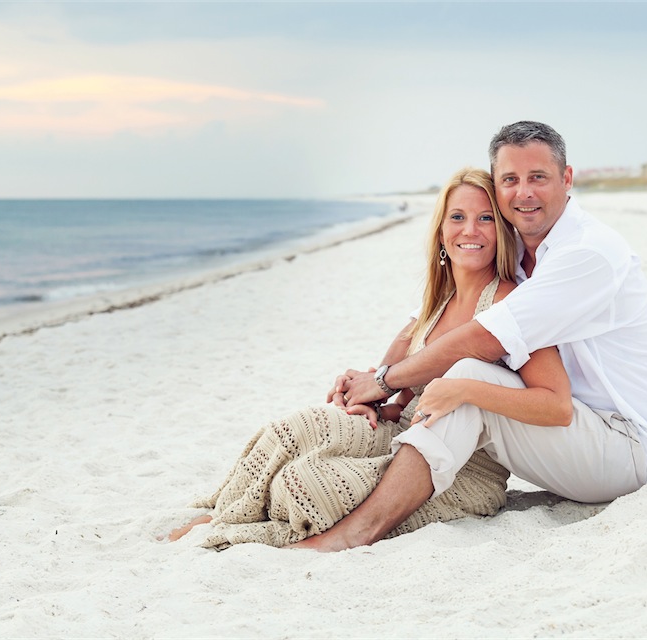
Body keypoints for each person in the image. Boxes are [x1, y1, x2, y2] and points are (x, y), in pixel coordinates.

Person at [305, 121, 647, 552]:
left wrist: (386, 380)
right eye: (510, 180)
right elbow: (438, 318)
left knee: (468, 377)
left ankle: (358, 531)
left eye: (537, 177)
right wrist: (375, 386)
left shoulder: (586, 254)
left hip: (628, 449)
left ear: (567, 178)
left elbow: (482, 338)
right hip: (578, 432)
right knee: (458, 382)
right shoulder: (523, 252)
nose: (524, 193)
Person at [166, 167, 573, 548]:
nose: (470, 230)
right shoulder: (435, 302)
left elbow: (554, 402)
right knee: (294, 429)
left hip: (459, 468)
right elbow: (390, 384)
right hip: (400, 435)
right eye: (457, 217)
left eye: (485, 219)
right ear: (441, 231)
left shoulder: (507, 305)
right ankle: (226, 514)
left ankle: (262, 530)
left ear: (502, 231)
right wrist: (365, 397)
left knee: (303, 482)